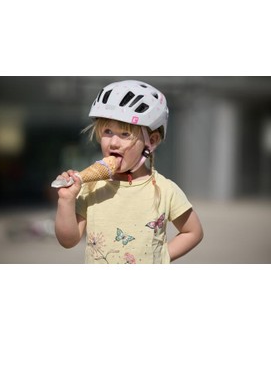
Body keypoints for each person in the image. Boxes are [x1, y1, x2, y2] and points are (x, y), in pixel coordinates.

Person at [54, 80, 203, 264]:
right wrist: (66, 200)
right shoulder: (90, 188)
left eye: (125, 134)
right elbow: (68, 241)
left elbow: (193, 232)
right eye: (107, 131)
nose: (113, 142)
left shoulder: (165, 190)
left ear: (151, 141)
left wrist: (161, 256)